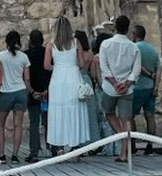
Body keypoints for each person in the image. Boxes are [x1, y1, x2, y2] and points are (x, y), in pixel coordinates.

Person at [44, 17, 93, 154]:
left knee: (58, 110)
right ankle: (74, 144)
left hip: (58, 78)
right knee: (74, 110)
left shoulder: (50, 44)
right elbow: (82, 64)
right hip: (73, 76)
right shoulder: (76, 42)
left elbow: (46, 65)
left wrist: (58, 66)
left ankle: (58, 145)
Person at [97, 14, 140, 160]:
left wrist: (115, 83)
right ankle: (124, 151)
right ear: (128, 29)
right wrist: (127, 83)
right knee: (126, 118)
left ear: (115, 27)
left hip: (110, 87)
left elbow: (104, 67)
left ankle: (122, 136)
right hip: (127, 88)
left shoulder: (105, 44)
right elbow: (136, 69)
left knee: (108, 112)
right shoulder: (133, 47)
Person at [0, 30, 32, 161]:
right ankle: (15, 155)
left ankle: (1, 154)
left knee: (0, 124)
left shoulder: (1, 56)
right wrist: (30, 91)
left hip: (5, 92)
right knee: (18, 125)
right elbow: (27, 78)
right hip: (20, 91)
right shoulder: (24, 57)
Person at [130, 22, 161, 154]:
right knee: (150, 116)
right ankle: (150, 145)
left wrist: (147, 74)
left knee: (130, 117)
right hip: (150, 87)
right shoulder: (153, 50)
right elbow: (159, 70)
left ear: (135, 35)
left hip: (136, 87)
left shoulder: (133, 48)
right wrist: (156, 87)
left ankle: (133, 145)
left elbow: (135, 65)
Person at [25, 29, 51, 158]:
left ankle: (33, 151)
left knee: (34, 123)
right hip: (47, 92)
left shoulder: (26, 55)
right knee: (49, 122)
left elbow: (26, 77)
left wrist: (33, 91)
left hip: (33, 93)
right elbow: (51, 72)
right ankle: (53, 148)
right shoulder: (47, 53)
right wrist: (47, 90)